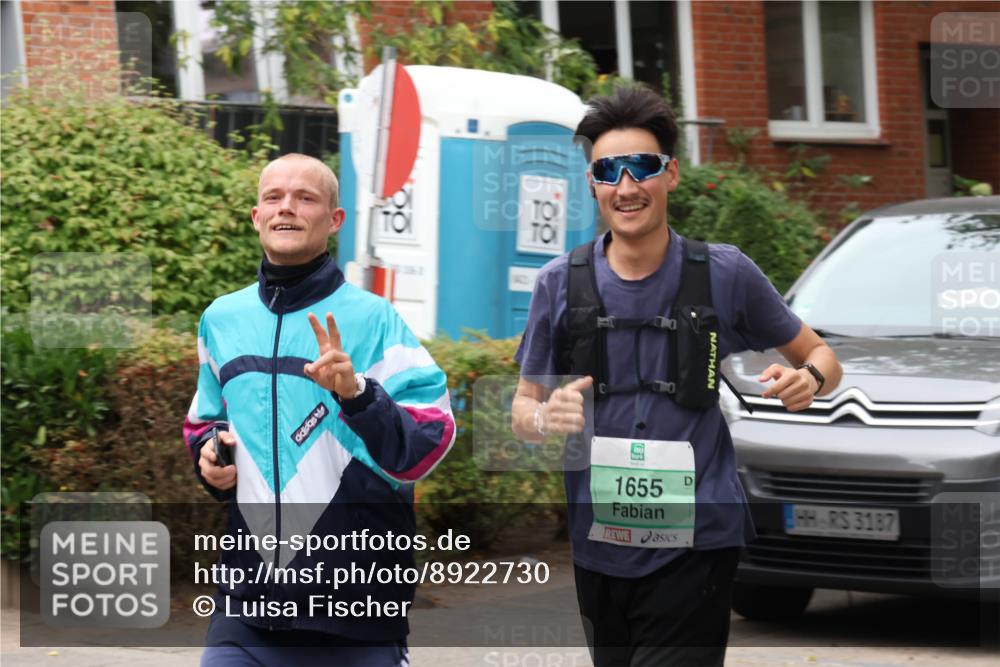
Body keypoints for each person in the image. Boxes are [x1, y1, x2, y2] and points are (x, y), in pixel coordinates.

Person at [511, 86, 842, 667]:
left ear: (671, 174)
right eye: (608, 171)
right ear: (592, 183)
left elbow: (821, 356)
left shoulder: (724, 273)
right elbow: (520, 412)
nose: (626, 186)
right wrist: (544, 416)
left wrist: (809, 380)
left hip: (698, 540)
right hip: (599, 542)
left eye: (642, 166)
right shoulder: (559, 282)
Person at [183, 153, 455, 666]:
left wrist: (359, 396)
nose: (286, 207)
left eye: (305, 198)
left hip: (357, 611)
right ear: (257, 217)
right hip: (247, 605)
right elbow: (205, 420)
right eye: (273, 197)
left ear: (334, 220)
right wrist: (212, 457)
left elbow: (428, 440)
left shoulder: (374, 319)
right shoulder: (220, 319)